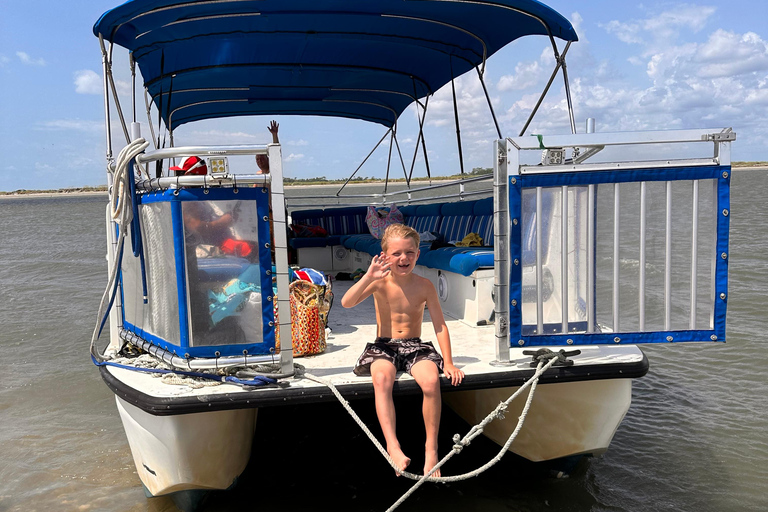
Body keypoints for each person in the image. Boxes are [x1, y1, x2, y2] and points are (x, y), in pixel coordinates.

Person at [341, 223, 464, 477]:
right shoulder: (378, 282)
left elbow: (440, 325)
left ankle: (431, 449)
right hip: (384, 345)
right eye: (396, 253)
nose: (403, 258)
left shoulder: (425, 285)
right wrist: (368, 276)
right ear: (385, 256)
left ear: (418, 254)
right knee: (382, 378)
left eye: (409, 252)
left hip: (415, 345)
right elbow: (347, 302)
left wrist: (448, 362)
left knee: (431, 381)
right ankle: (393, 445)